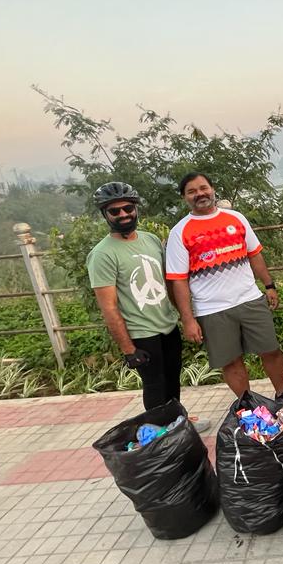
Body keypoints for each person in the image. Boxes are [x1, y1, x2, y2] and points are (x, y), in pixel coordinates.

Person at [86, 182, 209, 430]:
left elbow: (168, 282)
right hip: (141, 333)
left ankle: (178, 422)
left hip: (167, 325)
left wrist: (186, 318)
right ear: (105, 215)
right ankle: (161, 437)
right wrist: (128, 349)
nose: (123, 215)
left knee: (173, 379)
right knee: (155, 386)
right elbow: (109, 307)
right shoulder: (102, 254)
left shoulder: (151, 240)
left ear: (135, 209)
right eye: (115, 211)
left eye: (127, 208)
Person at [165, 172, 283, 398]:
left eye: (203, 188)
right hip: (212, 310)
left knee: (271, 351)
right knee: (231, 363)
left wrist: (269, 285)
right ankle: (248, 407)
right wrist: (188, 319)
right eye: (191, 191)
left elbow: (255, 255)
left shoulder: (236, 218)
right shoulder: (180, 232)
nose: (199, 194)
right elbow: (178, 280)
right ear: (184, 197)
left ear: (212, 189)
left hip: (250, 299)